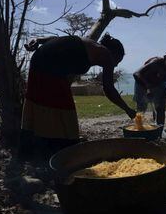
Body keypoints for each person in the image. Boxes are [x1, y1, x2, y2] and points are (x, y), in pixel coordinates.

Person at [19, 33, 136, 161]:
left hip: (39, 61)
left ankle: (35, 151)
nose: (116, 65)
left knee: (41, 103)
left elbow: (56, 39)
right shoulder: (105, 54)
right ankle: (59, 153)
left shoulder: (88, 42)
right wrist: (127, 109)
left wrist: (38, 40)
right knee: (63, 112)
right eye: (117, 61)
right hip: (50, 67)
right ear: (113, 53)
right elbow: (108, 88)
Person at [133, 50, 166, 125]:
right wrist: (148, 88)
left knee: (161, 108)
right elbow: (136, 74)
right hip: (141, 81)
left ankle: (159, 129)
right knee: (141, 107)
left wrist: (161, 100)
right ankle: (138, 127)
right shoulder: (156, 62)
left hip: (159, 84)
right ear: (165, 60)